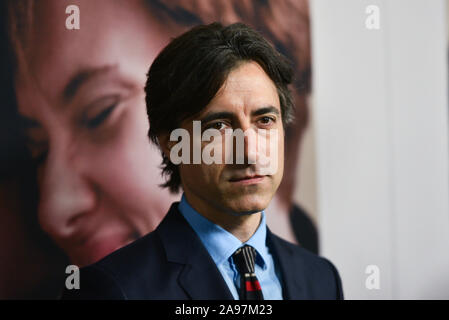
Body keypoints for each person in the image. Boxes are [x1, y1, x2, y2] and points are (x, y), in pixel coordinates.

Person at [62, 22, 343, 300]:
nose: (250, 152)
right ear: (172, 144)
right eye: (219, 126)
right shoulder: (110, 290)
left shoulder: (321, 278)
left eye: (265, 121)